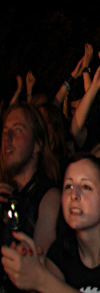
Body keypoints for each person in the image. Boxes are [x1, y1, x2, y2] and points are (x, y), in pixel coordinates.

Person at [2, 154, 100, 293]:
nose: (74, 195)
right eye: (68, 186)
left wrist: (41, 279)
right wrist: (32, 288)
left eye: (86, 187)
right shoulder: (61, 251)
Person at [1, 103, 61, 253]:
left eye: (18, 130)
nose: (7, 138)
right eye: (5, 131)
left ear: (36, 145)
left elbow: (36, 261)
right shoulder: (4, 188)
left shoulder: (48, 196)